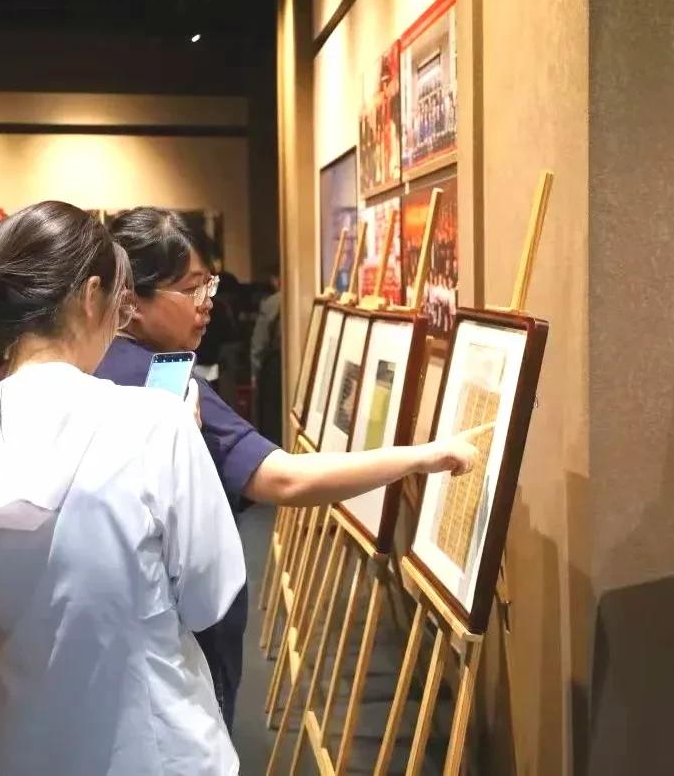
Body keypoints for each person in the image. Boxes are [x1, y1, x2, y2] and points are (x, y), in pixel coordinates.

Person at [96, 207, 479, 729]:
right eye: (191, 289)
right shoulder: (167, 384)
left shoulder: (86, 370)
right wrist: (423, 456)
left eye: (209, 285)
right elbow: (285, 478)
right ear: (130, 300)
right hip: (176, 642)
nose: (207, 303)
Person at [0, 201, 244, 775]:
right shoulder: (154, 423)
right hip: (155, 742)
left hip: (23, 741)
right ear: (91, 295)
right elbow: (208, 600)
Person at [250, 267, 282, 445]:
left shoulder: (271, 303)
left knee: (270, 418)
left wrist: (254, 373)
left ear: (275, 280)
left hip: (273, 366)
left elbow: (259, 342)